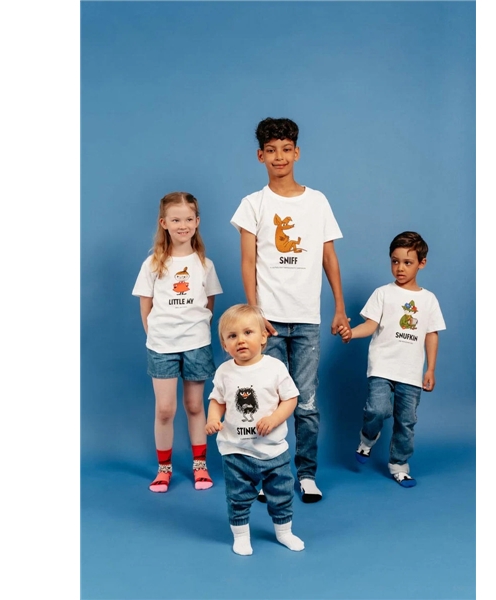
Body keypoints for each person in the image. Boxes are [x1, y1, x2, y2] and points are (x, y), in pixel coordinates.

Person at [230, 117, 348, 503]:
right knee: (267, 398)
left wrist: (339, 308)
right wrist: (254, 313)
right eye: (271, 150)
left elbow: (329, 257)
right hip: (268, 322)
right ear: (260, 156)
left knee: (306, 402)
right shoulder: (253, 204)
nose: (278, 157)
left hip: (307, 319)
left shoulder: (317, 202)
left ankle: (307, 473)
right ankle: (267, 473)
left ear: (296, 153)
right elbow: (248, 262)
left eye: (285, 149)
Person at [338, 231, 446, 487]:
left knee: (406, 422)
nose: (400, 268)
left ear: (421, 263)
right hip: (382, 366)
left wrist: (430, 369)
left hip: (410, 371)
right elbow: (370, 325)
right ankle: (367, 438)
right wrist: (351, 333)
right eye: (395, 261)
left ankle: (399, 465)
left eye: (407, 262)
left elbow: (431, 335)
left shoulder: (428, 300)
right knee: (376, 409)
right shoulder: (383, 293)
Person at [132, 191, 223, 493]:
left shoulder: (205, 264)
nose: (182, 225)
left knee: (195, 405)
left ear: (197, 222)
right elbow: (145, 306)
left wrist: (197, 330)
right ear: (164, 223)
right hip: (162, 346)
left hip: (196, 344)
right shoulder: (152, 264)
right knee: (165, 409)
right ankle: (164, 468)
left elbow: (208, 304)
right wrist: (155, 335)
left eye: (188, 219)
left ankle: (200, 465)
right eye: (175, 220)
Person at [206, 304, 305, 556]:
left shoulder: (275, 368)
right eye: (232, 336)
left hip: (273, 451)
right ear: (224, 344)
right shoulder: (224, 372)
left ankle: (284, 532)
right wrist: (213, 418)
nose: (240, 340)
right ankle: (241, 536)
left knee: (281, 494)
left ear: (263, 337)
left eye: (247, 332)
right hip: (236, 451)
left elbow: (290, 398)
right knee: (237, 497)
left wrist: (274, 418)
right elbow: (217, 400)